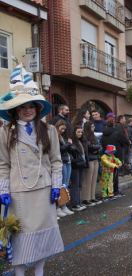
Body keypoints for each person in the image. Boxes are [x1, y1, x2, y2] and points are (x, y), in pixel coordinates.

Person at [0, 67, 64, 275]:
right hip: (19, 192)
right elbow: (3, 164)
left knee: (43, 235)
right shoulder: (5, 133)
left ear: (38, 109)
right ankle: (19, 273)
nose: (28, 110)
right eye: (22, 107)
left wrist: (56, 186)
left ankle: (39, 271)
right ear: (14, 110)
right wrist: (3, 190)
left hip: (44, 189)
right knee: (20, 236)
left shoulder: (48, 130)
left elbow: (56, 160)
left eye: (31, 106)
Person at [101, 121, 129, 197]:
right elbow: (125, 141)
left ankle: (107, 192)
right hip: (116, 155)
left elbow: (102, 144)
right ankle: (115, 191)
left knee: (107, 176)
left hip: (106, 156)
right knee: (115, 174)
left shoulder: (103, 135)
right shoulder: (117, 133)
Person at [55, 120, 75, 217]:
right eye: (61, 128)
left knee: (65, 185)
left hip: (67, 160)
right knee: (60, 185)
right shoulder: (54, 136)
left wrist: (68, 145)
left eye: (64, 129)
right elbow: (59, 150)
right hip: (61, 161)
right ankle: (58, 207)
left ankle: (64, 205)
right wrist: (68, 144)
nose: (63, 131)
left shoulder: (61, 137)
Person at [81, 121, 102, 206]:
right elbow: (89, 147)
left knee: (93, 180)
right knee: (88, 180)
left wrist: (96, 149)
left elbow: (99, 146)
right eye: (92, 127)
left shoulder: (94, 137)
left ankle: (92, 197)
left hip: (96, 158)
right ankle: (86, 198)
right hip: (89, 159)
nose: (94, 128)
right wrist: (96, 148)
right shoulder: (85, 137)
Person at [70, 126, 88, 211]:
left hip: (82, 164)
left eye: (81, 132)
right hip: (75, 165)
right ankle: (75, 204)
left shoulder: (81, 141)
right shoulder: (72, 142)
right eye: (78, 132)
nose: (80, 134)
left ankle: (79, 202)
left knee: (80, 184)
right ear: (74, 132)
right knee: (75, 185)